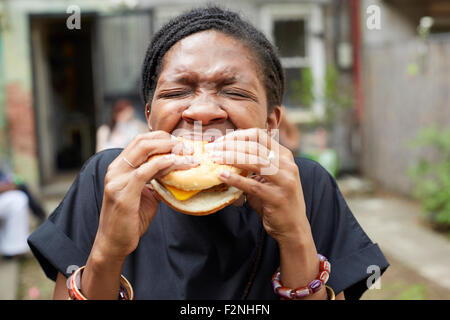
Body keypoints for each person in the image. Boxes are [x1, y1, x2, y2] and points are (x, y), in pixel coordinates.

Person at [28, 7, 388, 300]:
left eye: (233, 91)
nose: (201, 111)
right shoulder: (108, 178)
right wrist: (107, 252)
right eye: (177, 92)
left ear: (270, 122)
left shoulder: (306, 184)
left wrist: (295, 236)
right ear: (150, 115)